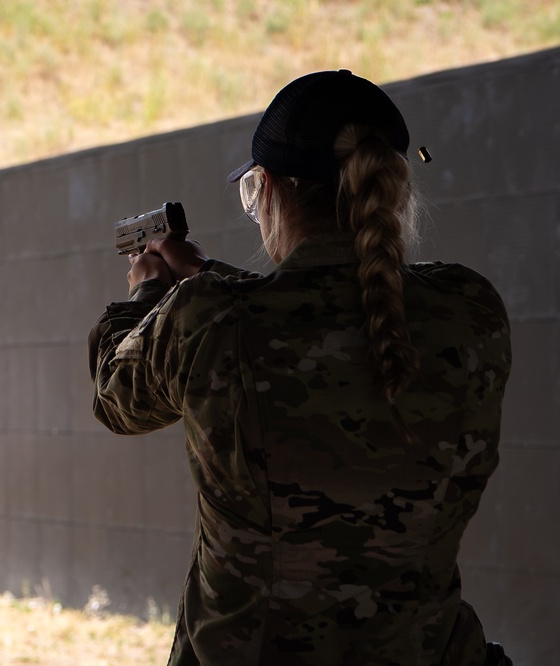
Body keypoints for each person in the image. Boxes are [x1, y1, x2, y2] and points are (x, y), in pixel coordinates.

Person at [88, 70, 512, 665]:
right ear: (392, 189)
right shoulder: (472, 309)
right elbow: (323, 315)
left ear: (271, 191)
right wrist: (206, 275)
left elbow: (115, 395)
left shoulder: (210, 319)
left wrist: (149, 292)